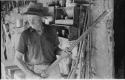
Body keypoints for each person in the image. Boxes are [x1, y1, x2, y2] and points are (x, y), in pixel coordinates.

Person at [14, 2, 70, 79]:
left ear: (41, 18)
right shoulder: (25, 35)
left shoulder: (51, 30)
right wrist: (31, 74)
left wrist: (63, 53)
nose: (31, 22)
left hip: (53, 68)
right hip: (34, 70)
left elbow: (55, 49)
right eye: (29, 18)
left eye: (34, 19)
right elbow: (17, 59)